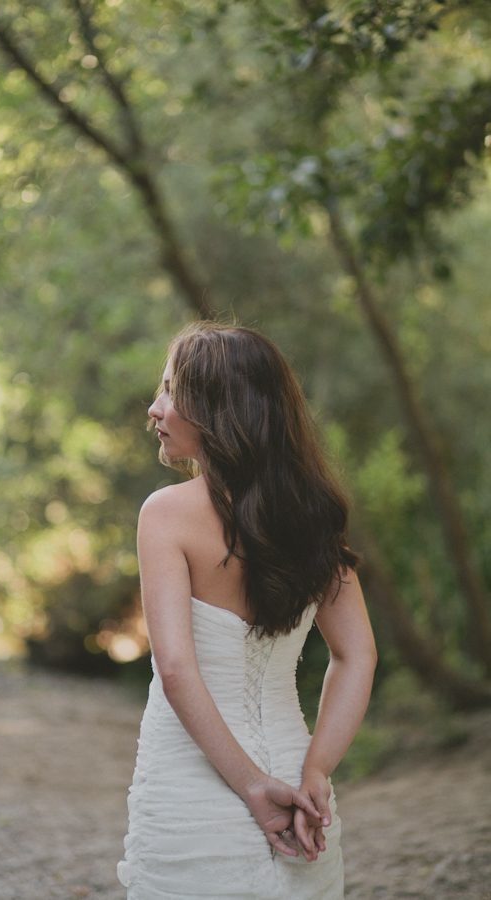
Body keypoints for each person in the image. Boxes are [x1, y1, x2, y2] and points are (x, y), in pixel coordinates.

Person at [117, 322, 377, 900]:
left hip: (195, 779)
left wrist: (254, 788)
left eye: (168, 391)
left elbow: (177, 671)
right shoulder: (313, 518)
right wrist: (315, 773)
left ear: (216, 407)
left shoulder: (165, 513)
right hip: (298, 779)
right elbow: (356, 654)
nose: (154, 409)